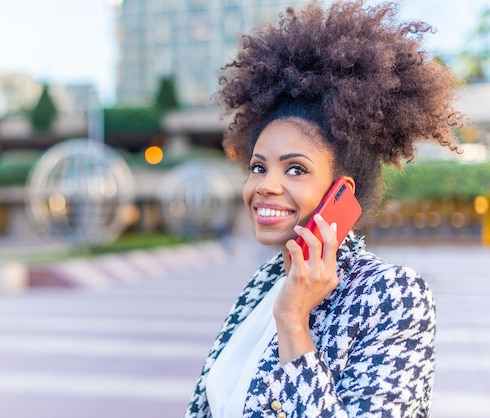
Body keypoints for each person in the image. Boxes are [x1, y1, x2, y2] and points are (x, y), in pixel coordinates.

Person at [184, 1, 464, 417]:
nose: (266, 185)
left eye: (295, 169)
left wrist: (294, 323)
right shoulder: (265, 282)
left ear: (341, 192)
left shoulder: (391, 294)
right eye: (258, 167)